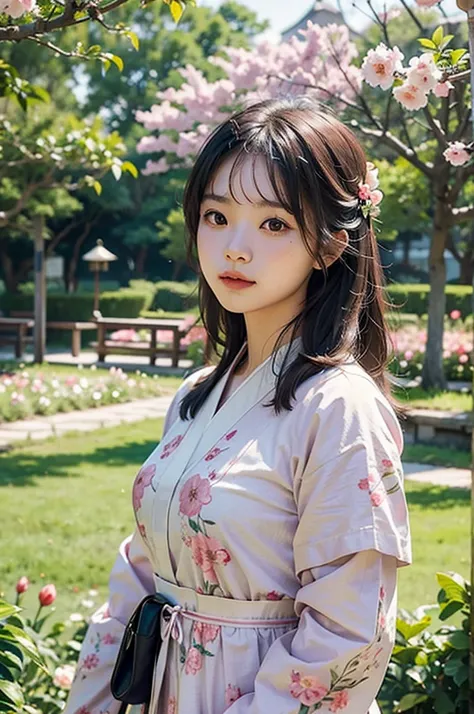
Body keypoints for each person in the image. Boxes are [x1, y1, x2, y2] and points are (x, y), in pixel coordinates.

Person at [64, 96, 411, 714]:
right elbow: (142, 575)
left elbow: (347, 631)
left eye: (274, 224)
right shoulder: (197, 395)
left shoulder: (338, 408)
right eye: (217, 216)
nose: (235, 247)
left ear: (330, 244)